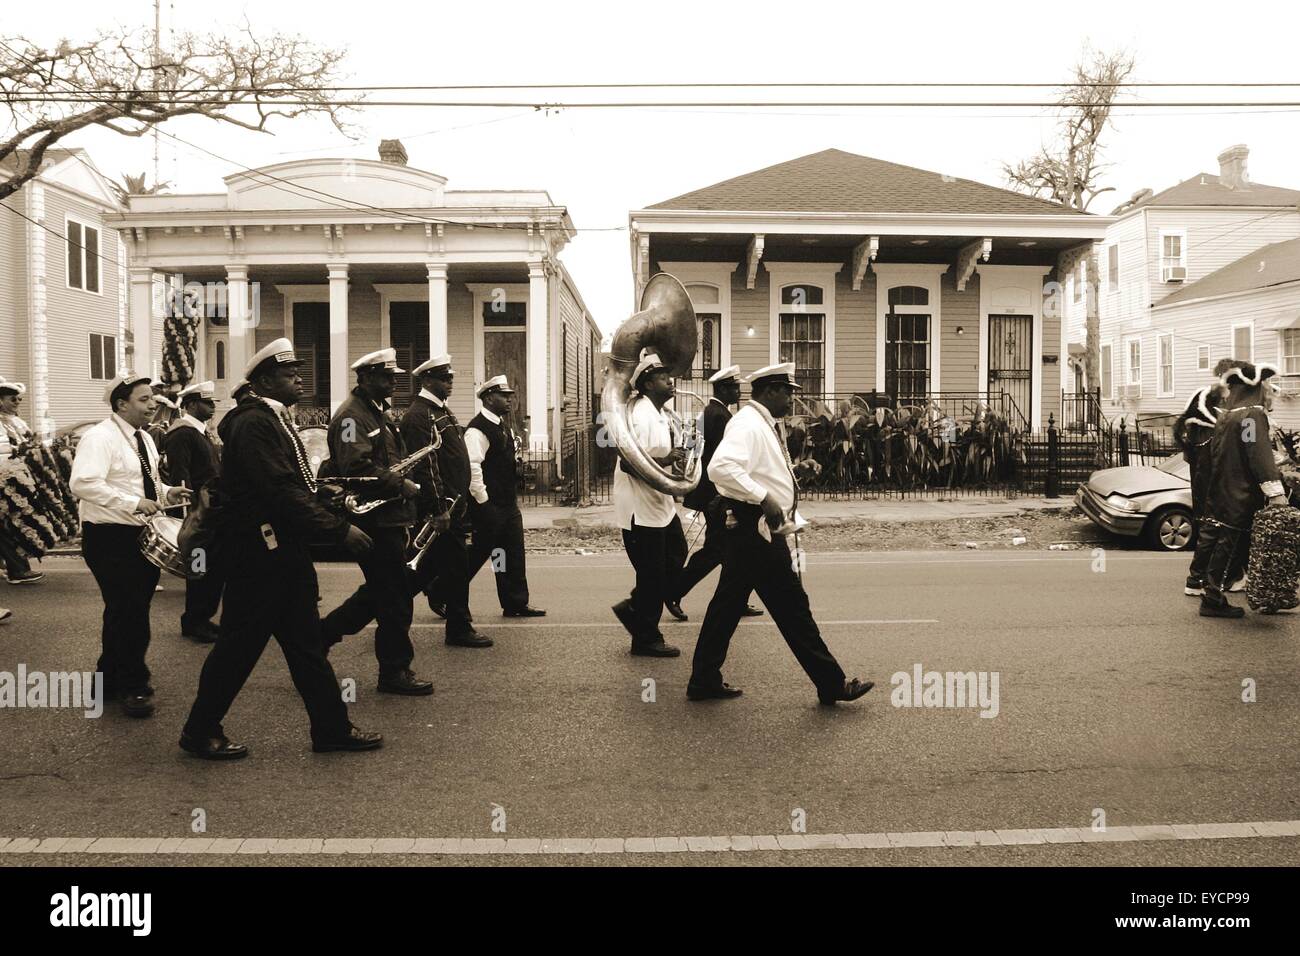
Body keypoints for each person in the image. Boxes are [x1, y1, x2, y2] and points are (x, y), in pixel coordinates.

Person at [181, 337, 381, 759]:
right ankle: (200, 731)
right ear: (265, 379)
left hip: (280, 554)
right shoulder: (254, 422)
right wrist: (338, 529)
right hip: (260, 557)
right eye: (289, 374)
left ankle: (331, 729)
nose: (298, 379)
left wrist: (324, 494)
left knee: (306, 647)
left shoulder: (273, 418)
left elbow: (292, 485)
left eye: (298, 371)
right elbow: (277, 491)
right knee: (238, 649)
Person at [687, 363, 874, 705]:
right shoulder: (747, 423)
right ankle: (832, 683)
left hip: (750, 530)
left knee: (727, 607)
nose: (792, 400)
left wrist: (792, 474)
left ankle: (703, 679)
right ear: (770, 391)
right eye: (788, 392)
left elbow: (757, 469)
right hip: (755, 529)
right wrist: (765, 498)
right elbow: (721, 467)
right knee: (792, 608)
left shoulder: (761, 423)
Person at [69, 372, 191, 718]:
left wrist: (168, 492)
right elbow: (82, 483)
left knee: (124, 610)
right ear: (121, 404)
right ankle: (134, 685)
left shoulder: (145, 438)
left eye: (152, 398)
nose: (153, 404)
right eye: (144, 399)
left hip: (137, 533)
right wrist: (132, 504)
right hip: (109, 537)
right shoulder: (100, 437)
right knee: (130, 611)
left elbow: (145, 482)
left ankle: (107, 681)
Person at [319, 349, 433, 695]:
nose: (393, 382)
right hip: (374, 518)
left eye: (394, 377)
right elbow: (357, 468)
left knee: (382, 591)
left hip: (390, 514)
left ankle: (321, 635)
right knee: (395, 596)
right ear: (365, 377)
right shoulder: (352, 417)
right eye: (386, 377)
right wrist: (403, 484)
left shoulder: (375, 411)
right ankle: (394, 671)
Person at [401, 355, 491, 648]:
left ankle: (379, 606)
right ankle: (459, 628)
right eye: (444, 378)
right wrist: (439, 509)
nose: (449, 382)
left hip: (452, 507)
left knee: (427, 572)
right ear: (427, 381)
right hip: (441, 511)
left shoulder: (440, 410)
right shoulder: (420, 415)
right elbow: (426, 467)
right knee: (453, 568)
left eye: (450, 377)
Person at [609, 352, 688, 657]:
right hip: (640, 510)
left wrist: (675, 463)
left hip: (660, 503)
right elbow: (629, 464)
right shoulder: (640, 415)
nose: (671, 381)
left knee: (675, 557)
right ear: (648, 383)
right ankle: (646, 638)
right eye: (664, 377)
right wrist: (666, 460)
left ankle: (633, 607)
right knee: (652, 574)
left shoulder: (661, 414)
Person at [1198, 362, 1288, 619]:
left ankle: (1223, 594)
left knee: (1225, 542)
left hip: (1223, 486)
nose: (1270, 390)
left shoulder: (1227, 414)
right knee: (1232, 544)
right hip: (1241, 491)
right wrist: (1274, 490)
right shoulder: (1251, 415)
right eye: (1267, 385)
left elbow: (1232, 450)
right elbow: (1255, 453)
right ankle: (1214, 598)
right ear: (1255, 386)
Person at [674, 365, 761, 619]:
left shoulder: (709, 413)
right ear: (723, 388)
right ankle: (674, 590)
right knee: (717, 550)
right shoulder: (720, 416)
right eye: (735, 387)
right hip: (718, 495)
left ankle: (735, 599)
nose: (739, 391)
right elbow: (726, 462)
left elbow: (692, 446)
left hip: (713, 494)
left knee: (732, 550)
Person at [464, 376, 545, 617]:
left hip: (507, 503)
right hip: (489, 505)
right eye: (504, 396)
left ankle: (515, 602)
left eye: (510, 395)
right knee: (479, 553)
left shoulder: (501, 424)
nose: (510, 399)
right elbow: (472, 467)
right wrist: (483, 502)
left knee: (509, 553)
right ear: (489, 398)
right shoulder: (477, 430)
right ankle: (441, 589)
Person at [162, 380, 223, 642]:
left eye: (212, 403)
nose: (212, 407)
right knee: (198, 567)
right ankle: (194, 620)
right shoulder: (183, 433)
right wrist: (188, 513)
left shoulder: (199, 431)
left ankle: (202, 618)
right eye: (207, 403)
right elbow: (181, 475)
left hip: (210, 510)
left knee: (210, 568)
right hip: (198, 513)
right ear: (190, 405)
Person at [0, 379, 45, 585]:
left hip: (15, 478)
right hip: (4, 479)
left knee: (9, 524)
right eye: (13, 399)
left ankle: (13, 566)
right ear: (0, 401)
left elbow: (25, 445)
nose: (17, 402)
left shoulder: (17, 421)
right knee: (4, 526)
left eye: (19, 399)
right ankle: (17, 569)